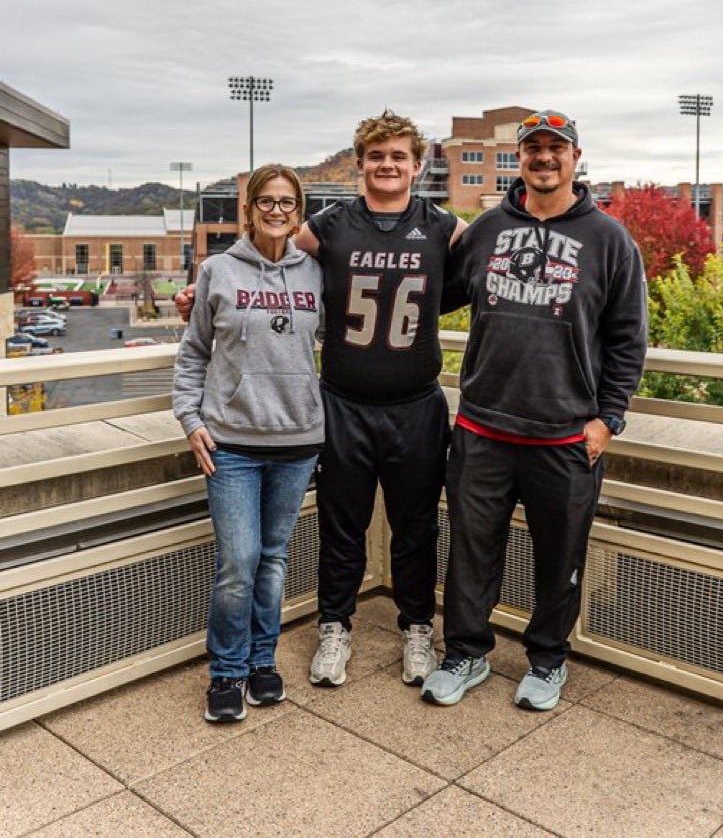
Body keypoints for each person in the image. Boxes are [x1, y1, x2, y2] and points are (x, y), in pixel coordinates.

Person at [175, 111, 466, 689]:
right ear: (360, 163)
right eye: (376, 156)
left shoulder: (444, 226)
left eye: (398, 156)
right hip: (341, 405)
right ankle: (336, 625)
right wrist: (202, 289)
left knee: (417, 528)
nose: (387, 165)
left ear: (417, 164)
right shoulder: (329, 224)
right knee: (340, 526)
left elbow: (484, 270)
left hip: (417, 404)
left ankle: (415, 627)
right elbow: (270, 258)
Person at [421, 109, 647, 711]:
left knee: (559, 558)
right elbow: (424, 297)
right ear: (519, 159)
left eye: (556, 148)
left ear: (575, 158)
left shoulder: (610, 239)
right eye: (533, 149)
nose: (544, 157)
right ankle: (465, 653)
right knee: (470, 553)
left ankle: (548, 661)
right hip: (482, 429)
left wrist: (607, 420)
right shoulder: (486, 229)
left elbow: (628, 338)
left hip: (566, 436)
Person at [173, 164, 324, 723]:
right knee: (238, 562)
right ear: (250, 208)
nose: (278, 210)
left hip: (298, 439)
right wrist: (190, 419)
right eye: (267, 201)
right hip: (231, 443)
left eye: (288, 202)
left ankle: (264, 662)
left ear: (298, 210)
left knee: (274, 560)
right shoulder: (217, 270)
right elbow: (193, 354)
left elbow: (341, 343)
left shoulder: (315, 273)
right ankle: (228, 671)